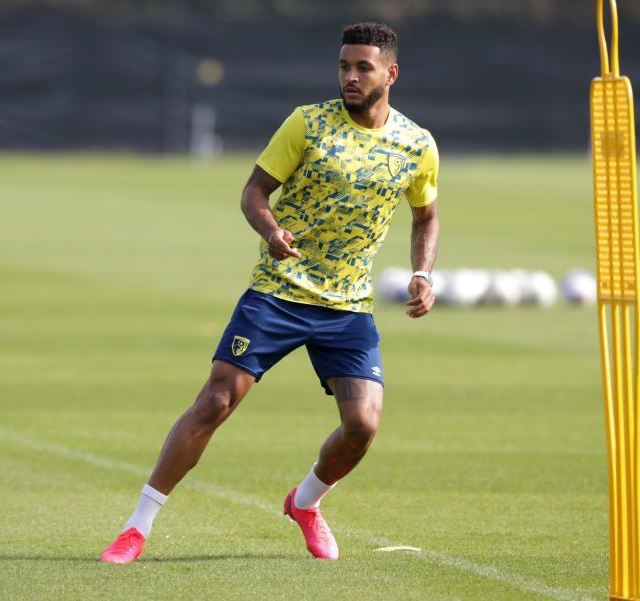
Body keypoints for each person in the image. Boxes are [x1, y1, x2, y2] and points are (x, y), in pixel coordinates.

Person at [100, 21, 440, 563]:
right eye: (344, 66)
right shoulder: (307, 124)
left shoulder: (416, 145)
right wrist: (270, 230)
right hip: (278, 292)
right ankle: (137, 527)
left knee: (362, 427)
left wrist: (423, 273)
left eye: (363, 68)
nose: (349, 77)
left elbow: (426, 217)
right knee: (215, 401)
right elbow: (254, 190)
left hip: (347, 306)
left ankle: (305, 504)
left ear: (391, 74)